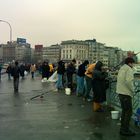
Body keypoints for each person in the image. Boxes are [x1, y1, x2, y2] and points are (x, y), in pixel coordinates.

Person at [116, 57, 135, 136]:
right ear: (130, 63)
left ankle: (123, 129)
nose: (133, 65)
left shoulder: (122, 68)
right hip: (126, 94)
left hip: (120, 92)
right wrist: (133, 90)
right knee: (128, 112)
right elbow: (129, 82)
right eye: (133, 63)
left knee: (124, 111)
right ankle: (125, 130)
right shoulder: (129, 70)